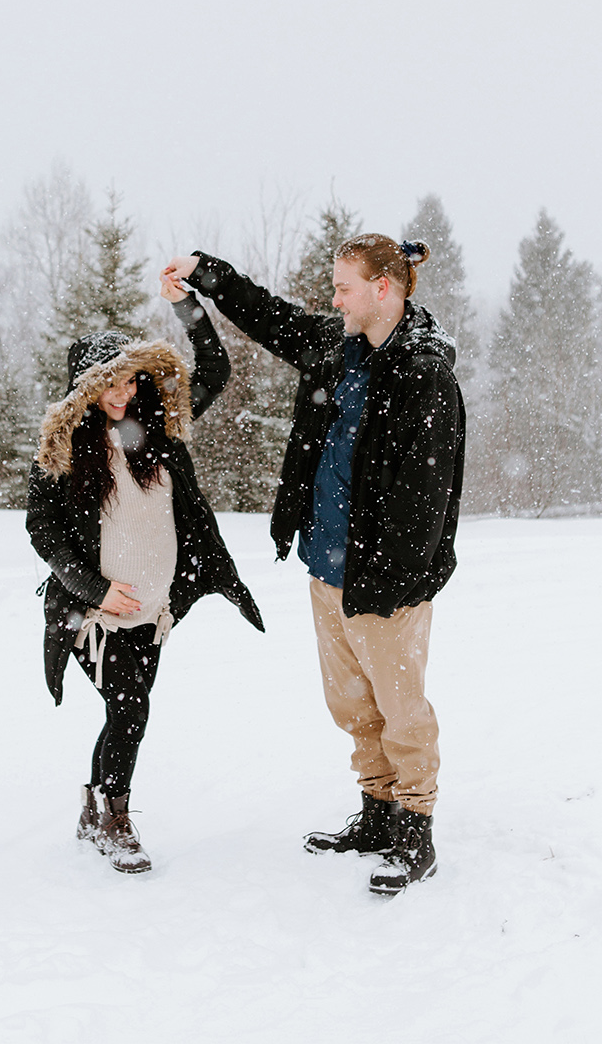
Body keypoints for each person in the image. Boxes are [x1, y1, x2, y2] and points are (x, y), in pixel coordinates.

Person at [162, 237, 464, 897]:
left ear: (383, 288)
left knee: (400, 708)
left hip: (384, 581)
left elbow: (427, 497)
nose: (334, 299)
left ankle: (415, 829)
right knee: (351, 704)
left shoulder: (421, 374)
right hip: (324, 564)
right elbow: (269, 317)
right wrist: (205, 276)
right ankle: (377, 813)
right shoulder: (335, 347)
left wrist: (389, 581)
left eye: (344, 287)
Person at [26, 276, 264, 875]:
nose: (122, 391)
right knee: (131, 710)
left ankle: (91, 804)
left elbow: (215, 368)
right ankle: (115, 820)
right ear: (85, 388)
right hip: (94, 616)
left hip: (154, 612)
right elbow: (43, 532)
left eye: (129, 378)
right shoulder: (62, 451)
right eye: (108, 380)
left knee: (124, 710)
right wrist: (94, 589)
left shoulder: (160, 434)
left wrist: (186, 304)